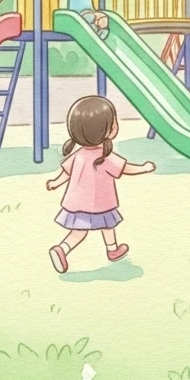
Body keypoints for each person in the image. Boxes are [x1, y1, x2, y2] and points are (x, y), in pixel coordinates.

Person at [45, 96, 155, 273]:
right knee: (108, 224)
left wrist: (55, 183)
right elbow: (126, 168)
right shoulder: (105, 156)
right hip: (101, 204)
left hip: (77, 204)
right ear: (110, 130)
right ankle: (111, 249)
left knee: (79, 231)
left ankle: (63, 249)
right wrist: (144, 168)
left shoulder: (79, 154)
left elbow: (66, 173)